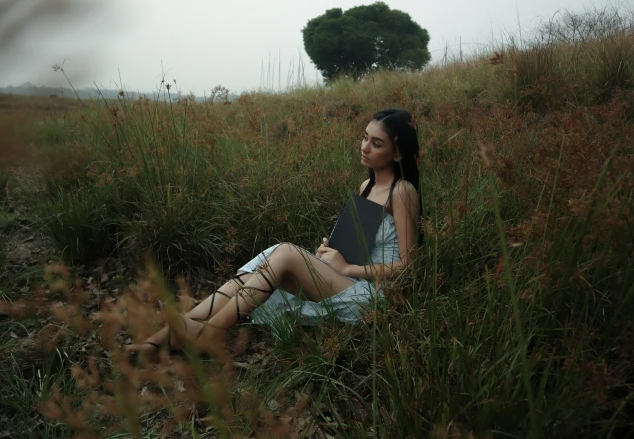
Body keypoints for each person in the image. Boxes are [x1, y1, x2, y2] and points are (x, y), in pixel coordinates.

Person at [126, 108, 422, 360]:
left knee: (285, 252)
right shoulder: (366, 187)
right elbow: (359, 245)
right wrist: (332, 249)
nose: (365, 147)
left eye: (377, 143)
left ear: (397, 154)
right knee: (267, 261)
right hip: (347, 278)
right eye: (364, 137)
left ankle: (208, 333)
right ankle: (181, 328)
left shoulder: (403, 192)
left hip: (375, 293)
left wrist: (346, 267)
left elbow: (409, 265)